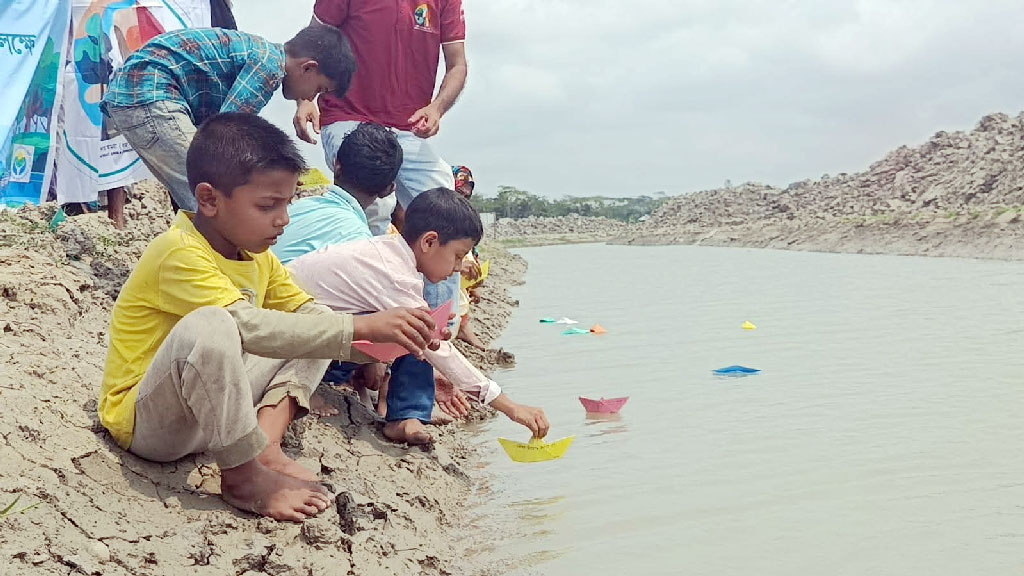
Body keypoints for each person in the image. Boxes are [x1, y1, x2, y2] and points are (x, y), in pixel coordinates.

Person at [98, 112, 442, 522]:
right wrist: (360, 325)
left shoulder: (257, 256)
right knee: (215, 324)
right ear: (209, 199)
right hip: (153, 425)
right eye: (268, 205)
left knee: (317, 321)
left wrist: (380, 344)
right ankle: (242, 477)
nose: (283, 219)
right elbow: (245, 327)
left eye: (287, 203)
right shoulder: (177, 252)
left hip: (214, 414)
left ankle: (265, 443)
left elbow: (308, 316)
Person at [288, 188, 551, 445]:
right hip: (292, 346)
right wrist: (511, 407)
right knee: (422, 332)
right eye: (457, 256)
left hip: (315, 334)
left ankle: (405, 415)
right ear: (429, 242)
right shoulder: (395, 275)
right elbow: (436, 348)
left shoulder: (390, 253)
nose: (458, 267)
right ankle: (394, 410)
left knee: (425, 328)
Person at [101, 24, 354, 212]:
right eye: (319, 89)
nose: (311, 97)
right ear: (308, 67)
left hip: (140, 93)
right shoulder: (268, 68)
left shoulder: (261, 53)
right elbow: (223, 135)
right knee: (215, 196)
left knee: (200, 192)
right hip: (149, 94)